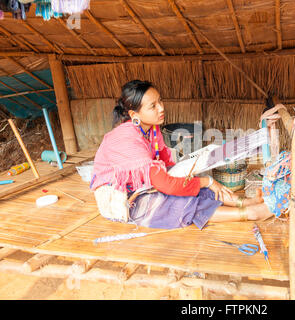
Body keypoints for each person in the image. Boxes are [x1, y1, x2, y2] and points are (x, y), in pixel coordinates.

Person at [90, 80, 273, 230]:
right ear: (134, 114)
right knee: (178, 201)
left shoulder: (151, 130)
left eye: (160, 101)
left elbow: (166, 162)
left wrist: (189, 174)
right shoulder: (126, 138)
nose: (161, 108)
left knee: (192, 185)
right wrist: (206, 181)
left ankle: (248, 202)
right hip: (122, 201)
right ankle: (252, 213)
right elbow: (166, 185)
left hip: (144, 186)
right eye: (153, 106)